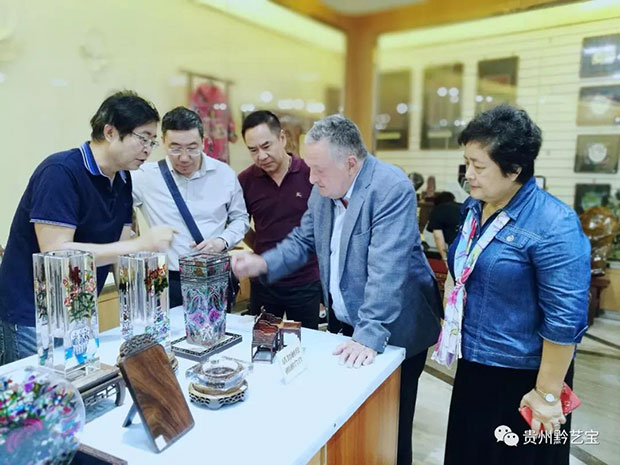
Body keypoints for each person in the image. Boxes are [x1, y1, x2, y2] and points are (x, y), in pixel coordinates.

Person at [232, 114, 442, 465]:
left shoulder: (390, 188)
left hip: (393, 327)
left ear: (350, 163)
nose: (311, 179)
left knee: (391, 426)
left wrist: (369, 333)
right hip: (349, 325)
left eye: (318, 170)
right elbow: (302, 241)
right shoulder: (323, 192)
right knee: (354, 420)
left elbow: (387, 268)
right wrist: (263, 263)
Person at [432, 105, 590, 465]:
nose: (469, 175)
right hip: (476, 364)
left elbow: (565, 320)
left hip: (524, 377)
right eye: (466, 163)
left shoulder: (554, 223)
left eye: (479, 166)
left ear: (514, 168)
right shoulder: (474, 207)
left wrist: (546, 394)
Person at [0, 91, 176, 365]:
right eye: (143, 138)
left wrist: (138, 316)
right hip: (32, 317)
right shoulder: (60, 171)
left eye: (152, 142)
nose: (148, 149)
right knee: (42, 388)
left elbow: (120, 249)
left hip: (79, 314)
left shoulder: (123, 178)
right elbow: (56, 252)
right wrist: (141, 244)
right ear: (110, 132)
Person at [132, 107, 249, 308]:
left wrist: (221, 242)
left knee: (217, 328)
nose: (184, 158)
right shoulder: (144, 177)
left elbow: (241, 219)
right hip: (167, 279)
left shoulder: (224, 175)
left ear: (203, 142)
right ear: (163, 141)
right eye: (175, 148)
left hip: (213, 276)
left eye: (193, 148)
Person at [238, 111, 321, 329]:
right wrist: (260, 249)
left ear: (282, 138)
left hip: (305, 280)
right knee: (263, 341)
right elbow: (239, 223)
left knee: (306, 342)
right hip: (264, 281)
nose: (261, 156)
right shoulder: (246, 180)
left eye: (266, 146)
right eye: (253, 150)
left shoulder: (310, 174)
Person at [426, 191, 461, 261]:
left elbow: (438, 236)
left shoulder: (438, 210)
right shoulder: (463, 206)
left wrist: (445, 258)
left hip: (456, 250)